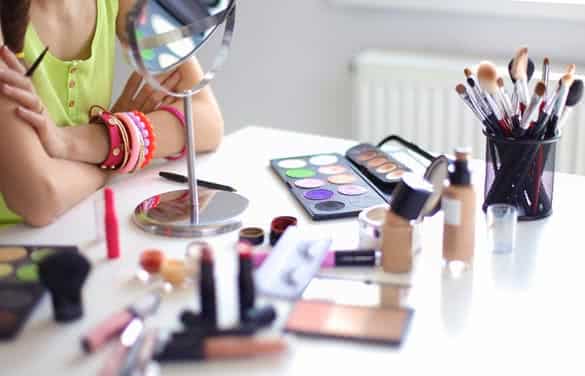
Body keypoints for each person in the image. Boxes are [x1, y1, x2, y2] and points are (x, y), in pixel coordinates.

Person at [0, 0, 224, 227]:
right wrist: (113, 160)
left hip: (88, 225)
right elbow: (40, 197)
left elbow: (206, 121)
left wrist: (94, 140)